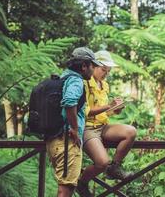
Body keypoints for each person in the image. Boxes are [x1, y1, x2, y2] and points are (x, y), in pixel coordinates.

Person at [76, 50, 137, 197]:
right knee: (102, 162)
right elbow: (85, 111)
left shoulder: (104, 85)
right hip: (87, 128)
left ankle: (114, 168)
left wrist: (115, 110)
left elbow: (104, 111)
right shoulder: (83, 83)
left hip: (102, 126)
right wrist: (108, 106)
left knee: (131, 131)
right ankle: (82, 182)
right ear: (94, 66)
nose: (106, 74)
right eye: (104, 70)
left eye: (108, 71)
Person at [46, 47, 103, 197]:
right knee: (66, 189)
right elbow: (70, 101)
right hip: (67, 142)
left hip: (55, 140)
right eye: (93, 66)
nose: (94, 69)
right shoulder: (76, 81)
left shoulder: (63, 77)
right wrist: (75, 129)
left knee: (65, 186)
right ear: (84, 66)